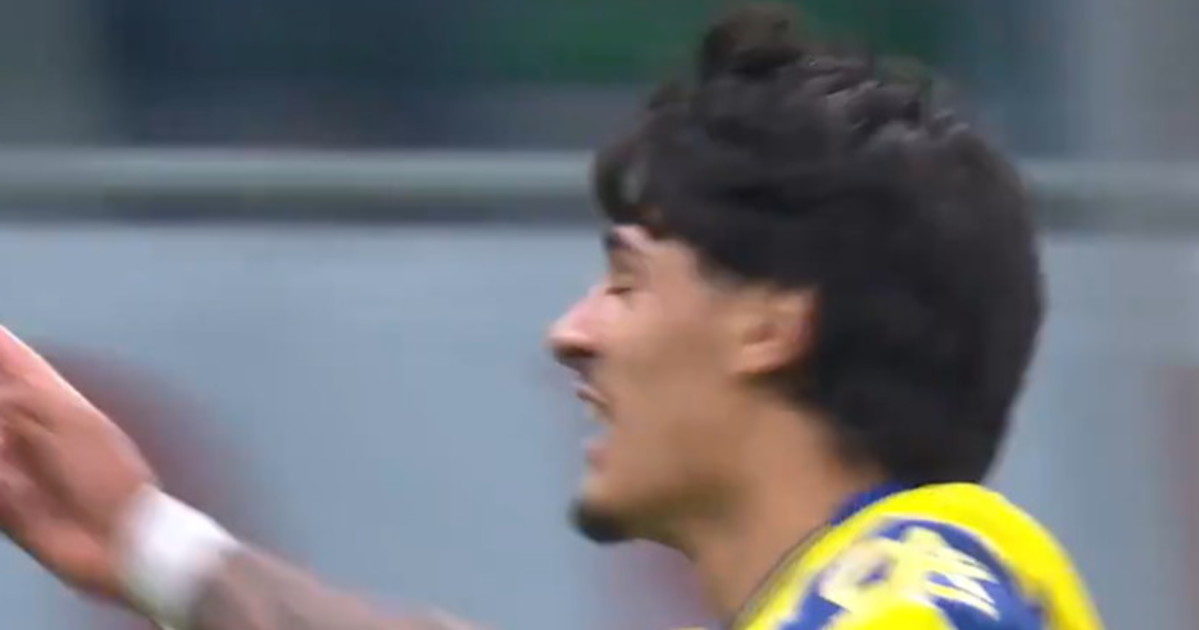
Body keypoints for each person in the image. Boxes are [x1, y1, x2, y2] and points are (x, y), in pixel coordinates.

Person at [0, 5, 1103, 630]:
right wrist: (143, 539)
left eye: (626, 282)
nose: (570, 333)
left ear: (769, 324)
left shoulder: (925, 574)